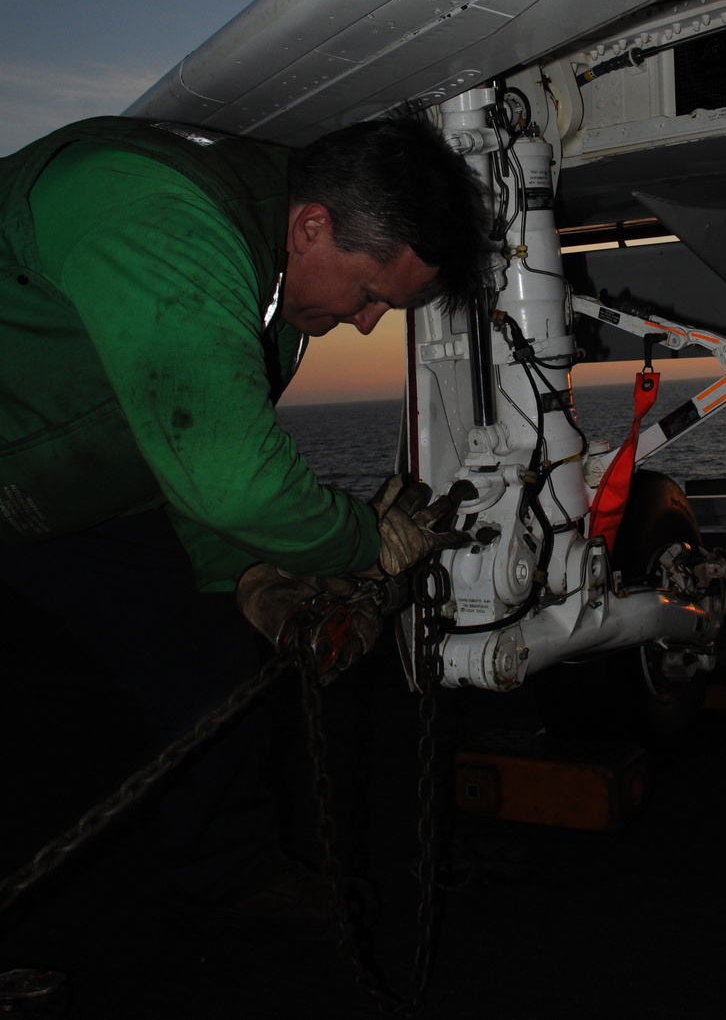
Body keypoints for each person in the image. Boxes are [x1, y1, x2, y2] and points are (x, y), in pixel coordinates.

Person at [0, 113, 489, 936]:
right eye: (371, 294)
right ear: (311, 225)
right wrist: (368, 544)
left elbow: (181, 457)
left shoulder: (275, 286)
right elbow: (233, 484)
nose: (370, 321)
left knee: (207, 663)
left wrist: (248, 577)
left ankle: (230, 873)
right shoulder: (165, 222)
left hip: (67, 493)